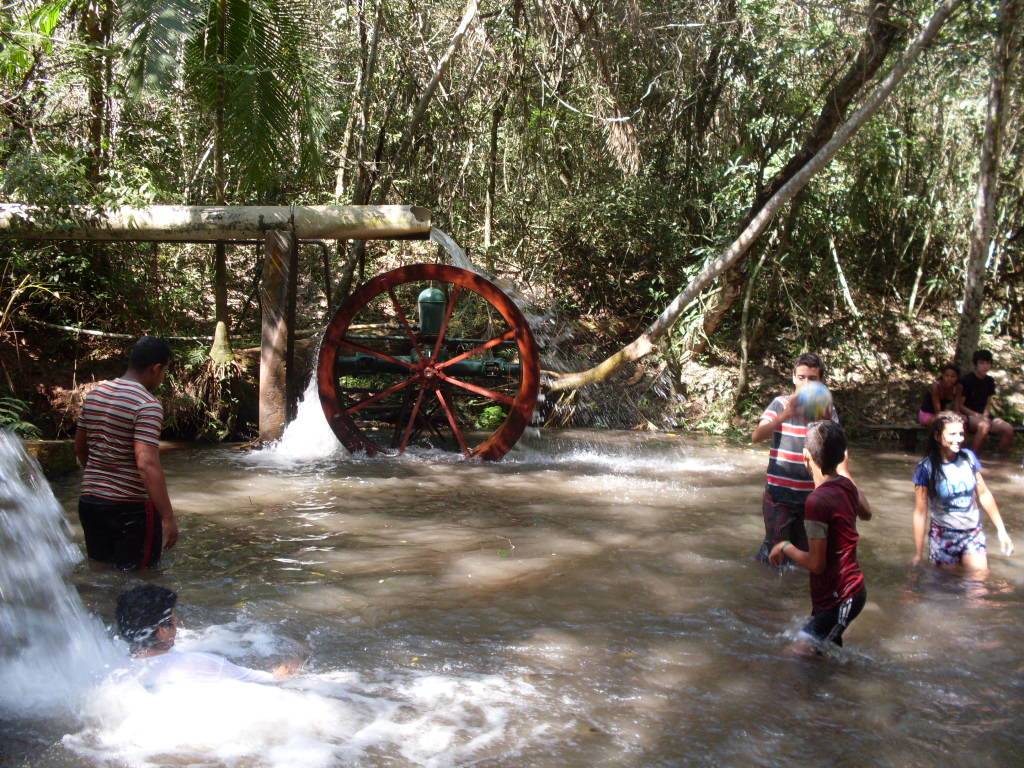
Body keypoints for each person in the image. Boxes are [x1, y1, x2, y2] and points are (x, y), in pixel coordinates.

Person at [752, 353, 868, 565]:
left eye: (812, 379)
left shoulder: (825, 409)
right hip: (779, 494)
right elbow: (756, 436)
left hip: (811, 495)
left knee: (804, 555)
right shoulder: (780, 404)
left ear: (821, 382)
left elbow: (836, 447)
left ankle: (795, 595)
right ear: (794, 378)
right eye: (802, 377)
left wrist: (824, 418)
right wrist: (784, 416)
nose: (806, 383)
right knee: (774, 550)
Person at [75, 336, 178, 569]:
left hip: (90, 503)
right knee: (141, 579)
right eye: (164, 373)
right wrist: (168, 517)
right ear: (156, 368)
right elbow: (146, 464)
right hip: (129, 509)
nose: (161, 379)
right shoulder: (146, 404)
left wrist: (100, 477)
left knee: (101, 574)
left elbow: (80, 447)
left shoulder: (95, 395)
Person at [768, 421, 871, 652]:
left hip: (843, 598)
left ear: (805, 455)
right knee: (820, 658)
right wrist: (845, 472)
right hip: (838, 595)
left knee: (794, 655)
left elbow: (816, 564)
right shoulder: (846, 485)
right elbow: (867, 513)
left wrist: (785, 546)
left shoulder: (816, 501)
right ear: (842, 455)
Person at [116, 585, 297, 686]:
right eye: (172, 615)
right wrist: (286, 671)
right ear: (162, 630)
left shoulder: (116, 668)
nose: (177, 620)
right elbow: (271, 682)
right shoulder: (202, 664)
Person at [912, 411, 1014, 572]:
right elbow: (920, 512)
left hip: (972, 532)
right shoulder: (925, 468)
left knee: (979, 582)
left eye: (961, 433)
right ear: (938, 437)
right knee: (947, 587)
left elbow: (984, 494)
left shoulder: (968, 458)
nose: (959, 438)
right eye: (952, 434)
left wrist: (1001, 530)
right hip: (944, 535)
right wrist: (918, 553)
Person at [959, 349, 1014, 453]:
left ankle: (999, 458)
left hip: (985, 417)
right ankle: (972, 457)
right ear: (976, 364)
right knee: (984, 426)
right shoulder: (966, 380)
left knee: (1008, 429)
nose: (985, 366)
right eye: (981, 363)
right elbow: (960, 405)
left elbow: (988, 402)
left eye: (988, 363)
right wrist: (977, 415)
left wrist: (985, 415)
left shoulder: (990, 381)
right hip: (968, 416)